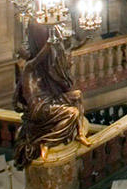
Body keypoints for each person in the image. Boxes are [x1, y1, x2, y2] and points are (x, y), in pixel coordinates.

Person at [13, 22, 89, 169]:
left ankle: (80, 133)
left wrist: (85, 37)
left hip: (48, 101)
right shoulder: (29, 67)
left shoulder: (43, 69)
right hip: (40, 108)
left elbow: (63, 56)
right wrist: (50, 42)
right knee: (72, 113)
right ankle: (46, 142)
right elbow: (40, 58)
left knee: (77, 95)